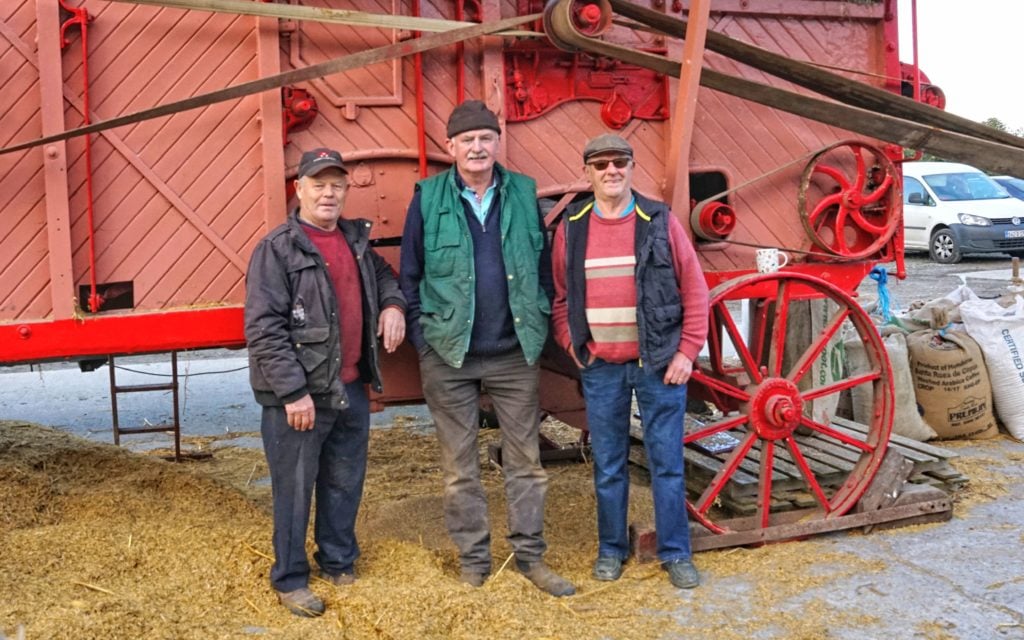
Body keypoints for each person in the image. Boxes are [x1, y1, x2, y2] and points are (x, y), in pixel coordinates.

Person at [399, 101, 575, 597]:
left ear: (497, 144)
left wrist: (537, 321)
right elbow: (411, 274)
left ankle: (531, 559)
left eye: (485, 138)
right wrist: (424, 338)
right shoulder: (429, 197)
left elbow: (542, 266)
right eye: (466, 140)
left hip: (512, 352)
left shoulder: (521, 192)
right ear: (450, 147)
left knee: (526, 464)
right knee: (460, 469)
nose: (477, 148)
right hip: (448, 354)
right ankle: (474, 561)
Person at [245, 148, 406, 617]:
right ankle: (291, 579)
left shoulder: (355, 242)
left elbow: (387, 279)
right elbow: (263, 329)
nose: (329, 193)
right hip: (300, 396)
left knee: (343, 480)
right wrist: (292, 393)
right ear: (300, 189)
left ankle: (338, 561)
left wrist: (393, 306)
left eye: (337, 184)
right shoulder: (278, 248)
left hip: (350, 386)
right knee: (294, 489)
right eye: (319, 184)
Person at [550, 133, 710, 590]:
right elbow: (561, 297)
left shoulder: (659, 219)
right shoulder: (573, 226)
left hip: (658, 363)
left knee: (666, 463)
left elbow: (694, 289)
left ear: (632, 167)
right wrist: (572, 344)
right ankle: (611, 550)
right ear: (587, 173)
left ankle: (676, 553)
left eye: (619, 162)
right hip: (602, 366)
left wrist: (686, 351)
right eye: (600, 164)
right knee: (609, 464)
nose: (611, 171)